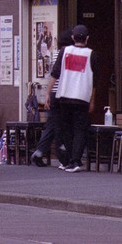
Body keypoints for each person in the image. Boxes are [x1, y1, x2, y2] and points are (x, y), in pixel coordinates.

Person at [48, 24, 98, 173]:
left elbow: (55, 74)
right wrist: (92, 100)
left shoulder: (64, 51)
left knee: (66, 129)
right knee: (80, 129)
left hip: (64, 95)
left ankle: (70, 159)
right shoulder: (91, 54)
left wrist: (48, 93)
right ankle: (76, 160)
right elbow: (95, 81)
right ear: (87, 39)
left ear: (72, 38)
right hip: (82, 98)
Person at [31, 29, 73, 167]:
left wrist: (47, 94)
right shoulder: (67, 54)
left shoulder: (55, 53)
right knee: (60, 125)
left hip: (53, 93)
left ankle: (39, 152)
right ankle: (62, 155)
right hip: (62, 93)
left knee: (52, 124)